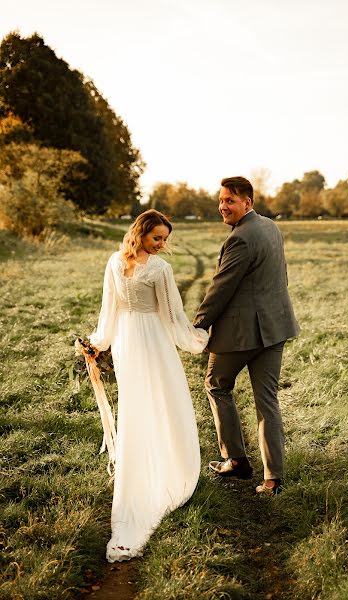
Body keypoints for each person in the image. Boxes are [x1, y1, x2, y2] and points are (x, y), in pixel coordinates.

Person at [87, 209, 208, 562]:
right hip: (148, 342)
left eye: (165, 239)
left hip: (128, 339)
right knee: (161, 401)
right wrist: (197, 340)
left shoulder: (121, 262)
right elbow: (171, 317)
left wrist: (103, 340)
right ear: (139, 233)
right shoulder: (155, 269)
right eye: (157, 238)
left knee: (145, 402)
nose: (162, 245)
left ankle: (155, 458)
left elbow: (110, 314)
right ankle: (164, 466)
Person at [193, 176, 299, 495]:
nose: (223, 206)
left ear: (247, 203)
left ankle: (236, 460)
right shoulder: (270, 227)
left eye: (230, 201)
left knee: (216, 384)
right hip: (275, 327)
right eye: (221, 200)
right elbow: (281, 276)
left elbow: (221, 287)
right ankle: (272, 479)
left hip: (243, 332)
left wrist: (199, 325)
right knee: (267, 401)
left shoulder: (240, 238)